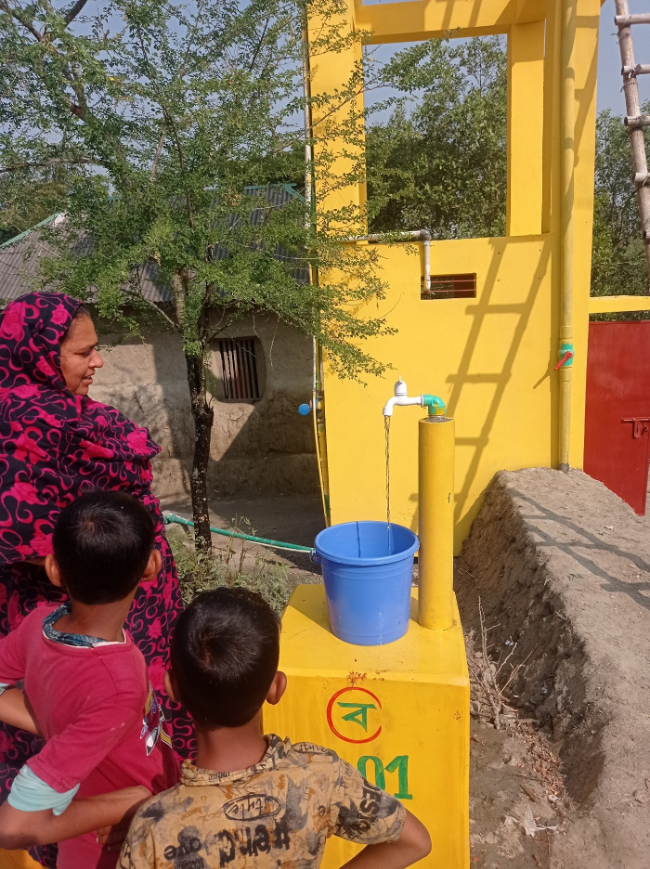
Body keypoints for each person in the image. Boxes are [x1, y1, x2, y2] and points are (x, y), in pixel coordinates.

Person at [0, 292, 192, 864]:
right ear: (40, 355)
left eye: (98, 349)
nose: (98, 362)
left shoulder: (61, 416)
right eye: (84, 352)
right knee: (104, 741)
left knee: (101, 729)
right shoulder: (23, 427)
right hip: (90, 621)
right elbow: (21, 527)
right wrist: (128, 557)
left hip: (97, 617)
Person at [119, 588, 432, 869]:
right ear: (276, 688)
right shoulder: (321, 775)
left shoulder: (155, 827)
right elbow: (415, 841)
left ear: (172, 687)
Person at [0, 491, 179, 868]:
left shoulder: (39, 624)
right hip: (115, 847)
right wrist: (130, 802)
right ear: (152, 565)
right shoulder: (119, 683)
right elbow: (14, 827)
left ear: (53, 569)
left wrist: (58, 722)